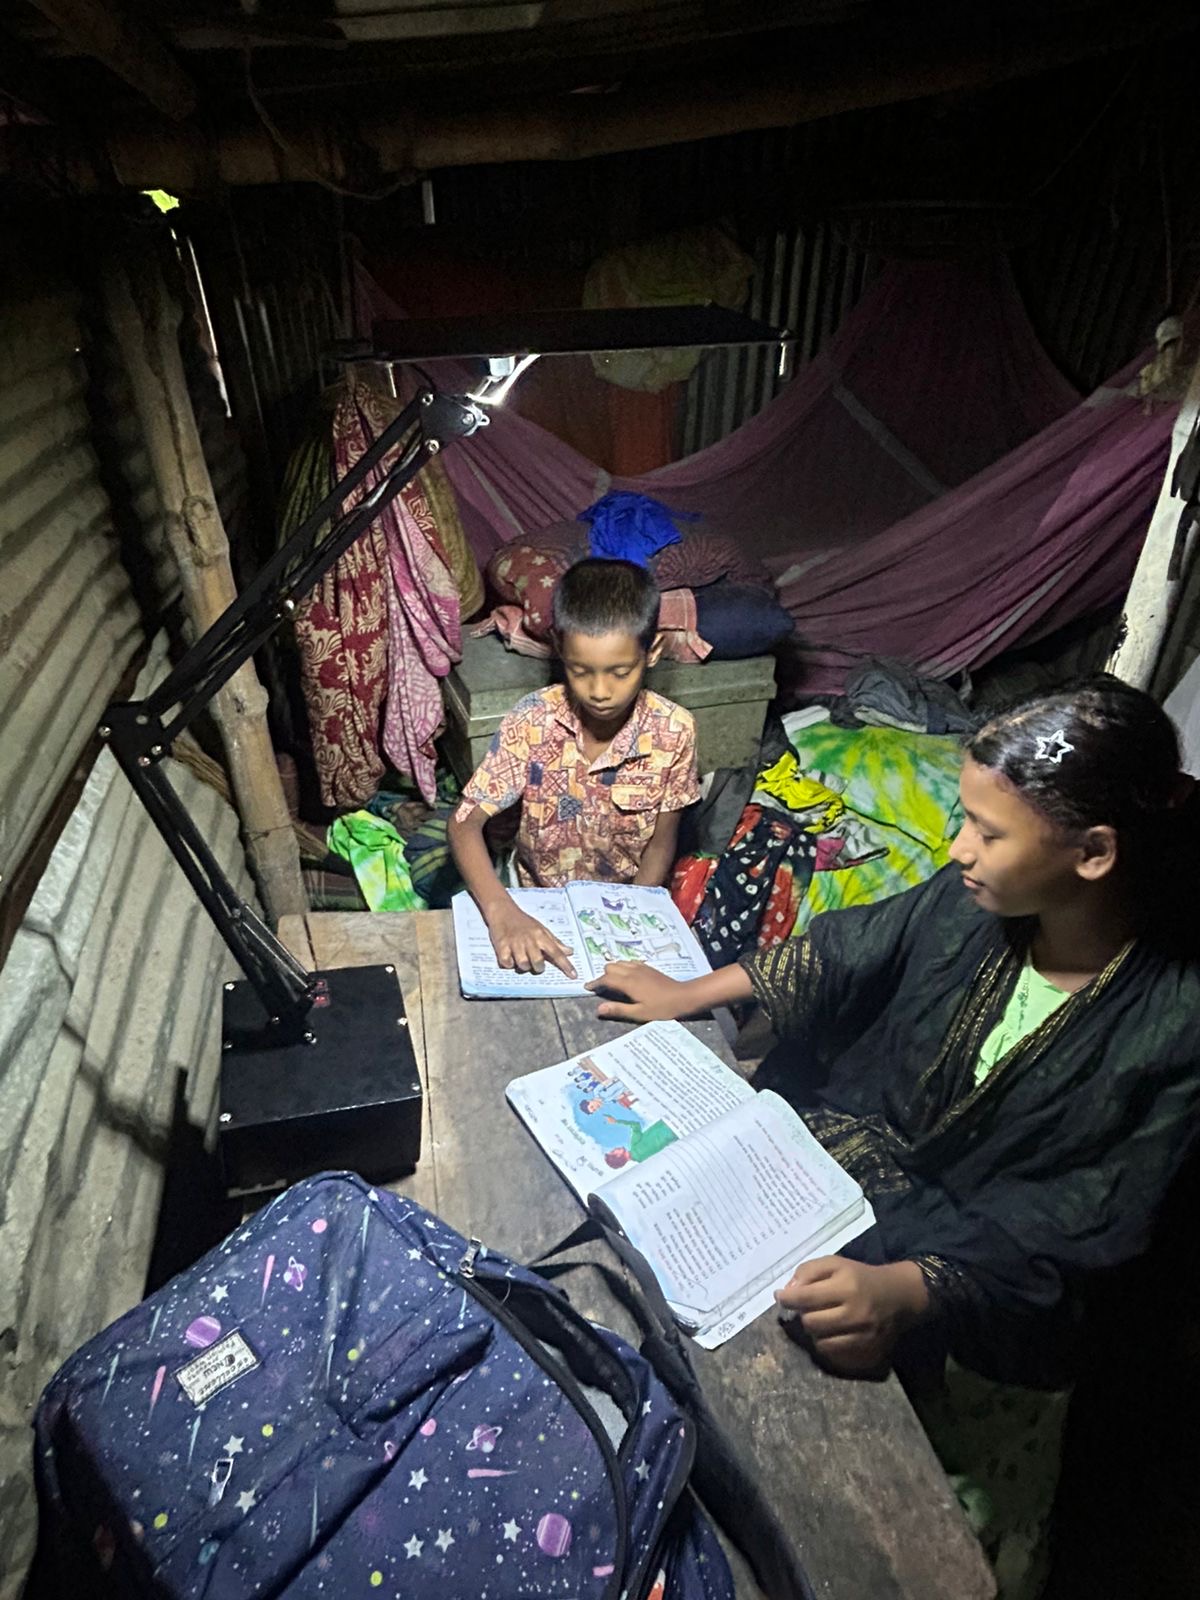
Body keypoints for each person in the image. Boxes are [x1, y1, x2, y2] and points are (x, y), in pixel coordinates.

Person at [586, 678, 1200, 1389]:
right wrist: (686, 994)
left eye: (987, 832)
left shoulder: (1173, 1024)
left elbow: (1086, 1219)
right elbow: (845, 951)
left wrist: (904, 1294)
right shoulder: (976, 898)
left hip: (982, 1285)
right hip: (841, 1176)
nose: (957, 846)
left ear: (1092, 854)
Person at [449, 557, 699, 976]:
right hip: (531, 899)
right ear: (559, 652)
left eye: (620, 672)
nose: (600, 692)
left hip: (621, 904)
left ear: (652, 652)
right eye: (580, 671)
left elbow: (660, 844)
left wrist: (630, 925)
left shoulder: (675, 732)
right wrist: (502, 912)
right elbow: (463, 823)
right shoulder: (532, 720)